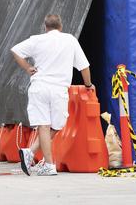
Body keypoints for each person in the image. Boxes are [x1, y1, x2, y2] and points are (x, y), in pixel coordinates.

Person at [10, 14, 94, 176]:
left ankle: (31, 152)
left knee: (44, 125)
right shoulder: (70, 40)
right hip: (59, 90)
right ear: (60, 26)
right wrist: (88, 85)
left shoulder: (37, 40)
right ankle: (49, 164)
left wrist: (27, 67)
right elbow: (84, 66)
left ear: (45, 27)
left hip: (40, 87)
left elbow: (15, 50)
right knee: (56, 126)